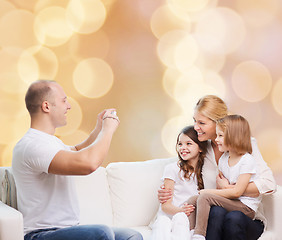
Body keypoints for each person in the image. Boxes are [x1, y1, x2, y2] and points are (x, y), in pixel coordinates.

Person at [12, 80, 143, 240]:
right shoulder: (32, 145)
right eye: (64, 100)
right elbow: (88, 164)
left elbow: (76, 151)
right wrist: (108, 130)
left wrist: (99, 129)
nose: (69, 106)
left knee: (132, 236)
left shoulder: (49, 142)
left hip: (69, 230)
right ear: (46, 106)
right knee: (102, 233)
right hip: (41, 235)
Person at [158, 95, 276, 240]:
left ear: (218, 122)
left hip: (244, 217)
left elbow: (269, 184)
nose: (196, 127)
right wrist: (167, 193)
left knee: (233, 218)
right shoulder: (201, 148)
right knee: (216, 212)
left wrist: (230, 188)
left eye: (201, 122)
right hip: (215, 215)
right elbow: (183, 171)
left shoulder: (245, 145)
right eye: (195, 121)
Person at [188, 115, 261, 240]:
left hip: (245, 207)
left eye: (220, 136)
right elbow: (221, 192)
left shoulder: (246, 160)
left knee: (204, 196)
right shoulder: (223, 159)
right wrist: (217, 189)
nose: (216, 140)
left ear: (234, 137)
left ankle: (199, 235)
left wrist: (208, 191)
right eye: (217, 135)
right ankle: (189, 231)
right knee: (193, 199)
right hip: (232, 202)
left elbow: (237, 192)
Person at [151, 126, 207, 240]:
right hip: (170, 215)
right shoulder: (172, 169)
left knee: (183, 222)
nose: (183, 148)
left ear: (200, 148)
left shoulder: (206, 172)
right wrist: (181, 211)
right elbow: (166, 206)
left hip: (188, 220)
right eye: (180, 144)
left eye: (188, 144)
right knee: (164, 223)